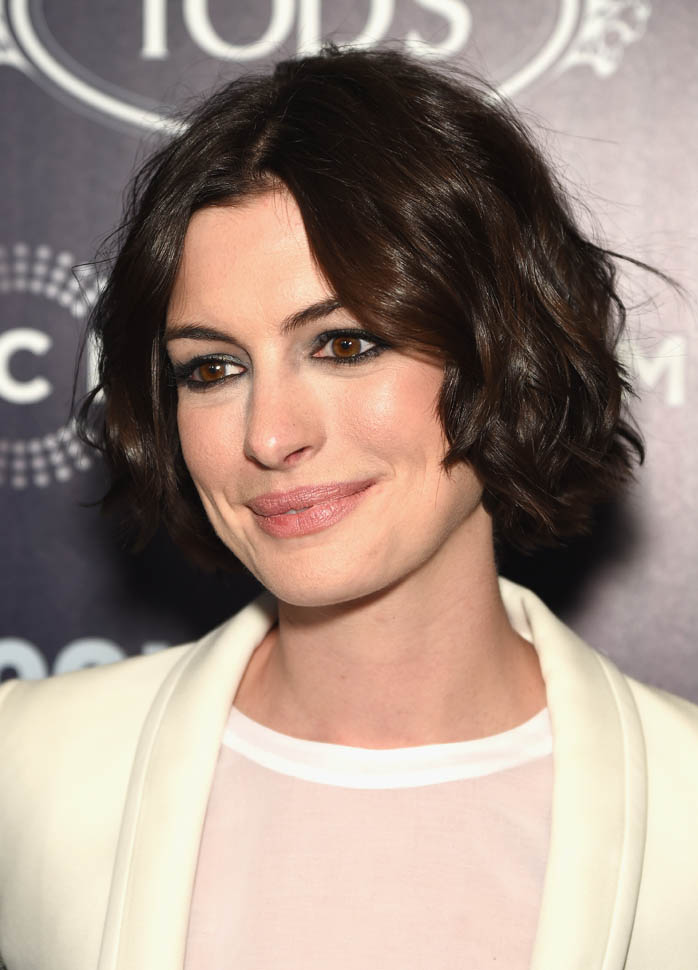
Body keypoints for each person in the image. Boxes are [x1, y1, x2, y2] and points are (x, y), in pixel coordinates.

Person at [0, 45, 696, 970]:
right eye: (213, 368)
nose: (269, 435)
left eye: (344, 345)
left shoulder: (686, 809)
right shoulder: (25, 770)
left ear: (503, 349)